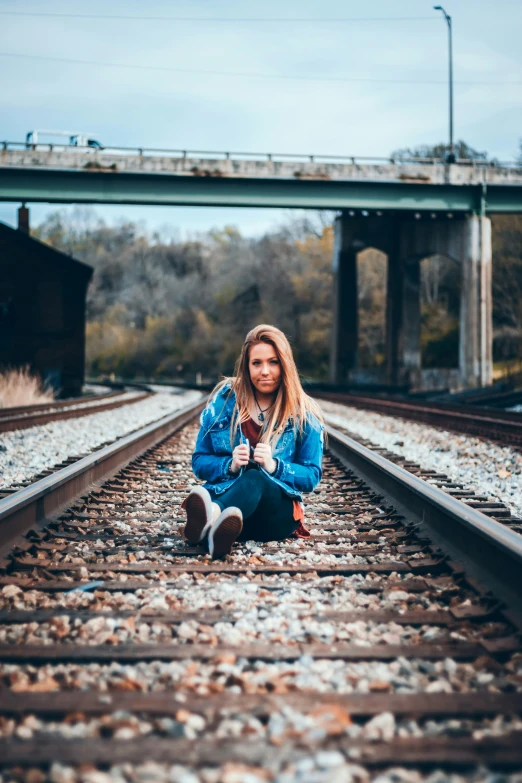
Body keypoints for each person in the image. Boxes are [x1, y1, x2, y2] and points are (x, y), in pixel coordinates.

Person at [182, 324, 325, 558]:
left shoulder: (304, 413)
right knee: (242, 483)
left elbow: (311, 476)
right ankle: (217, 534)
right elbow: (199, 461)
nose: (265, 371)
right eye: (256, 363)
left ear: (285, 364)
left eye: (273, 362)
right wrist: (229, 465)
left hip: (276, 517)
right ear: (246, 367)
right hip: (236, 519)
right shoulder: (224, 403)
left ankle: (210, 518)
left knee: (256, 477)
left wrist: (274, 466)